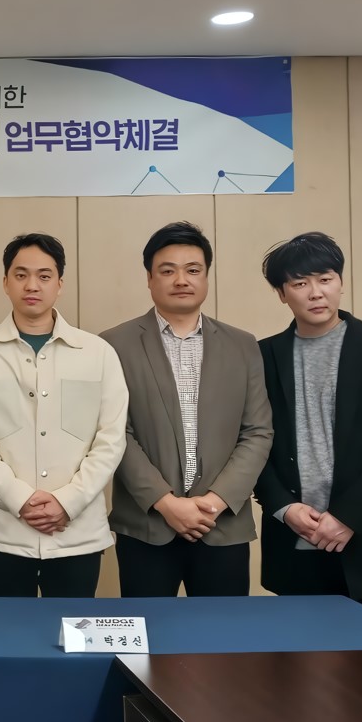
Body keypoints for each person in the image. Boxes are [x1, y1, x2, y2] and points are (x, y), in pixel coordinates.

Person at [256, 232, 362, 620]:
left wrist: (348, 516)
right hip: (295, 539)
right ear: (282, 293)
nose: (316, 293)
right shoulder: (263, 356)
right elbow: (251, 442)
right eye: (300, 283)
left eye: (325, 279)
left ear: (341, 283)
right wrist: (282, 507)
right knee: (297, 654)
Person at [101, 222, 272, 597]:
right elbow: (113, 432)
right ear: (149, 279)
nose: (181, 280)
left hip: (222, 525)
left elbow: (258, 431)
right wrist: (165, 503)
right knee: (148, 631)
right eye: (168, 270)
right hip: (147, 526)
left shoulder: (243, 345)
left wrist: (214, 502)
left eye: (193, 269)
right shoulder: (113, 345)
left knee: (223, 633)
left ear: (206, 276)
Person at [0, 234, 128, 597]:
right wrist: (19, 499)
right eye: (21, 275)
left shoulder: (98, 353)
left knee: (71, 629)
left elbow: (111, 439)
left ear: (59, 284)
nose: (32, 285)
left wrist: (67, 501)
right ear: (5, 282)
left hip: (77, 533)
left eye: (44, 276)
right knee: (5, 630)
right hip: (2, 533)